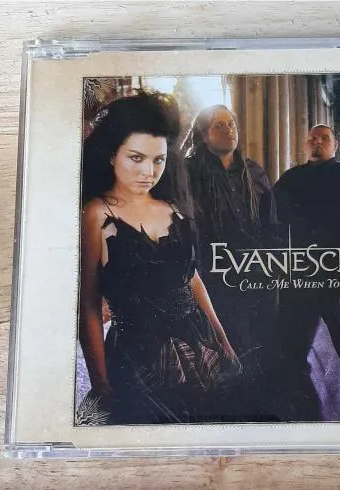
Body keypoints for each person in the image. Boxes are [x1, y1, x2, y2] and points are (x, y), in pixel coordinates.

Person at [78, 93, 241, 425]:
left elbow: (193, 280)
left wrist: (224, 341)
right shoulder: (95, 214)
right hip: (136, 355)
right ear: (112, 155)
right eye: (136, 158)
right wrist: (101, 383)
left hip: (199, 345)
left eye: (158, 160)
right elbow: (89, 305)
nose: (148, 172)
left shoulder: (173, 209)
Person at [181, 105, 279, 421]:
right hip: (214, 274)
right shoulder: (190, 172)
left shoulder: (254, 171)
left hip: (255, 272)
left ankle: (256, 412)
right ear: (203, 135)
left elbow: (270, 225)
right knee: (226, 344)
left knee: (259, 342)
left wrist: (273, 268)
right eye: (219, 125)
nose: (229, 130)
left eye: (231, 123)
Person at [273, 124, 340, 421]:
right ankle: (299, 398)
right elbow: (272, 223)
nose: (318, 142)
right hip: (302, 273)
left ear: (335, 145)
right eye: (313, 139)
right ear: (306, 145)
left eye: (324, 138)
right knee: (292, 341)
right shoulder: (290, 179)